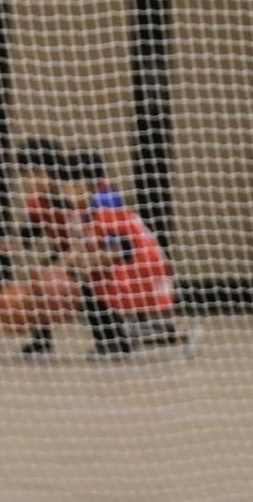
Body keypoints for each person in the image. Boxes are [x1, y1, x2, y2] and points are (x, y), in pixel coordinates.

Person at [56, 150, 193, 361]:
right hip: (134, 263)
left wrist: (80, 265)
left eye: (71, 185)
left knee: (89, 284)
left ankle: (122, 341)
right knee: (88, 282)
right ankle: (139, 337)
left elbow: (119, 249)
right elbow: (83, 247)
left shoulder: (106, 203)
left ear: (89, 183)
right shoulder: (87, 206)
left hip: (141, 264)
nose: (66, 191)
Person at [6, 136, 76, 358]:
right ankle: (41, 341)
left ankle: (116, 337)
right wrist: (15, 242)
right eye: (26, 174)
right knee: (38, 285)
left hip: (92, 250)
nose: (30, 180)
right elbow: (32, 228)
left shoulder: (74, 194)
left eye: (36, 172)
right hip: (66, 253)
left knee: (93, 290)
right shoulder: (38, 201)